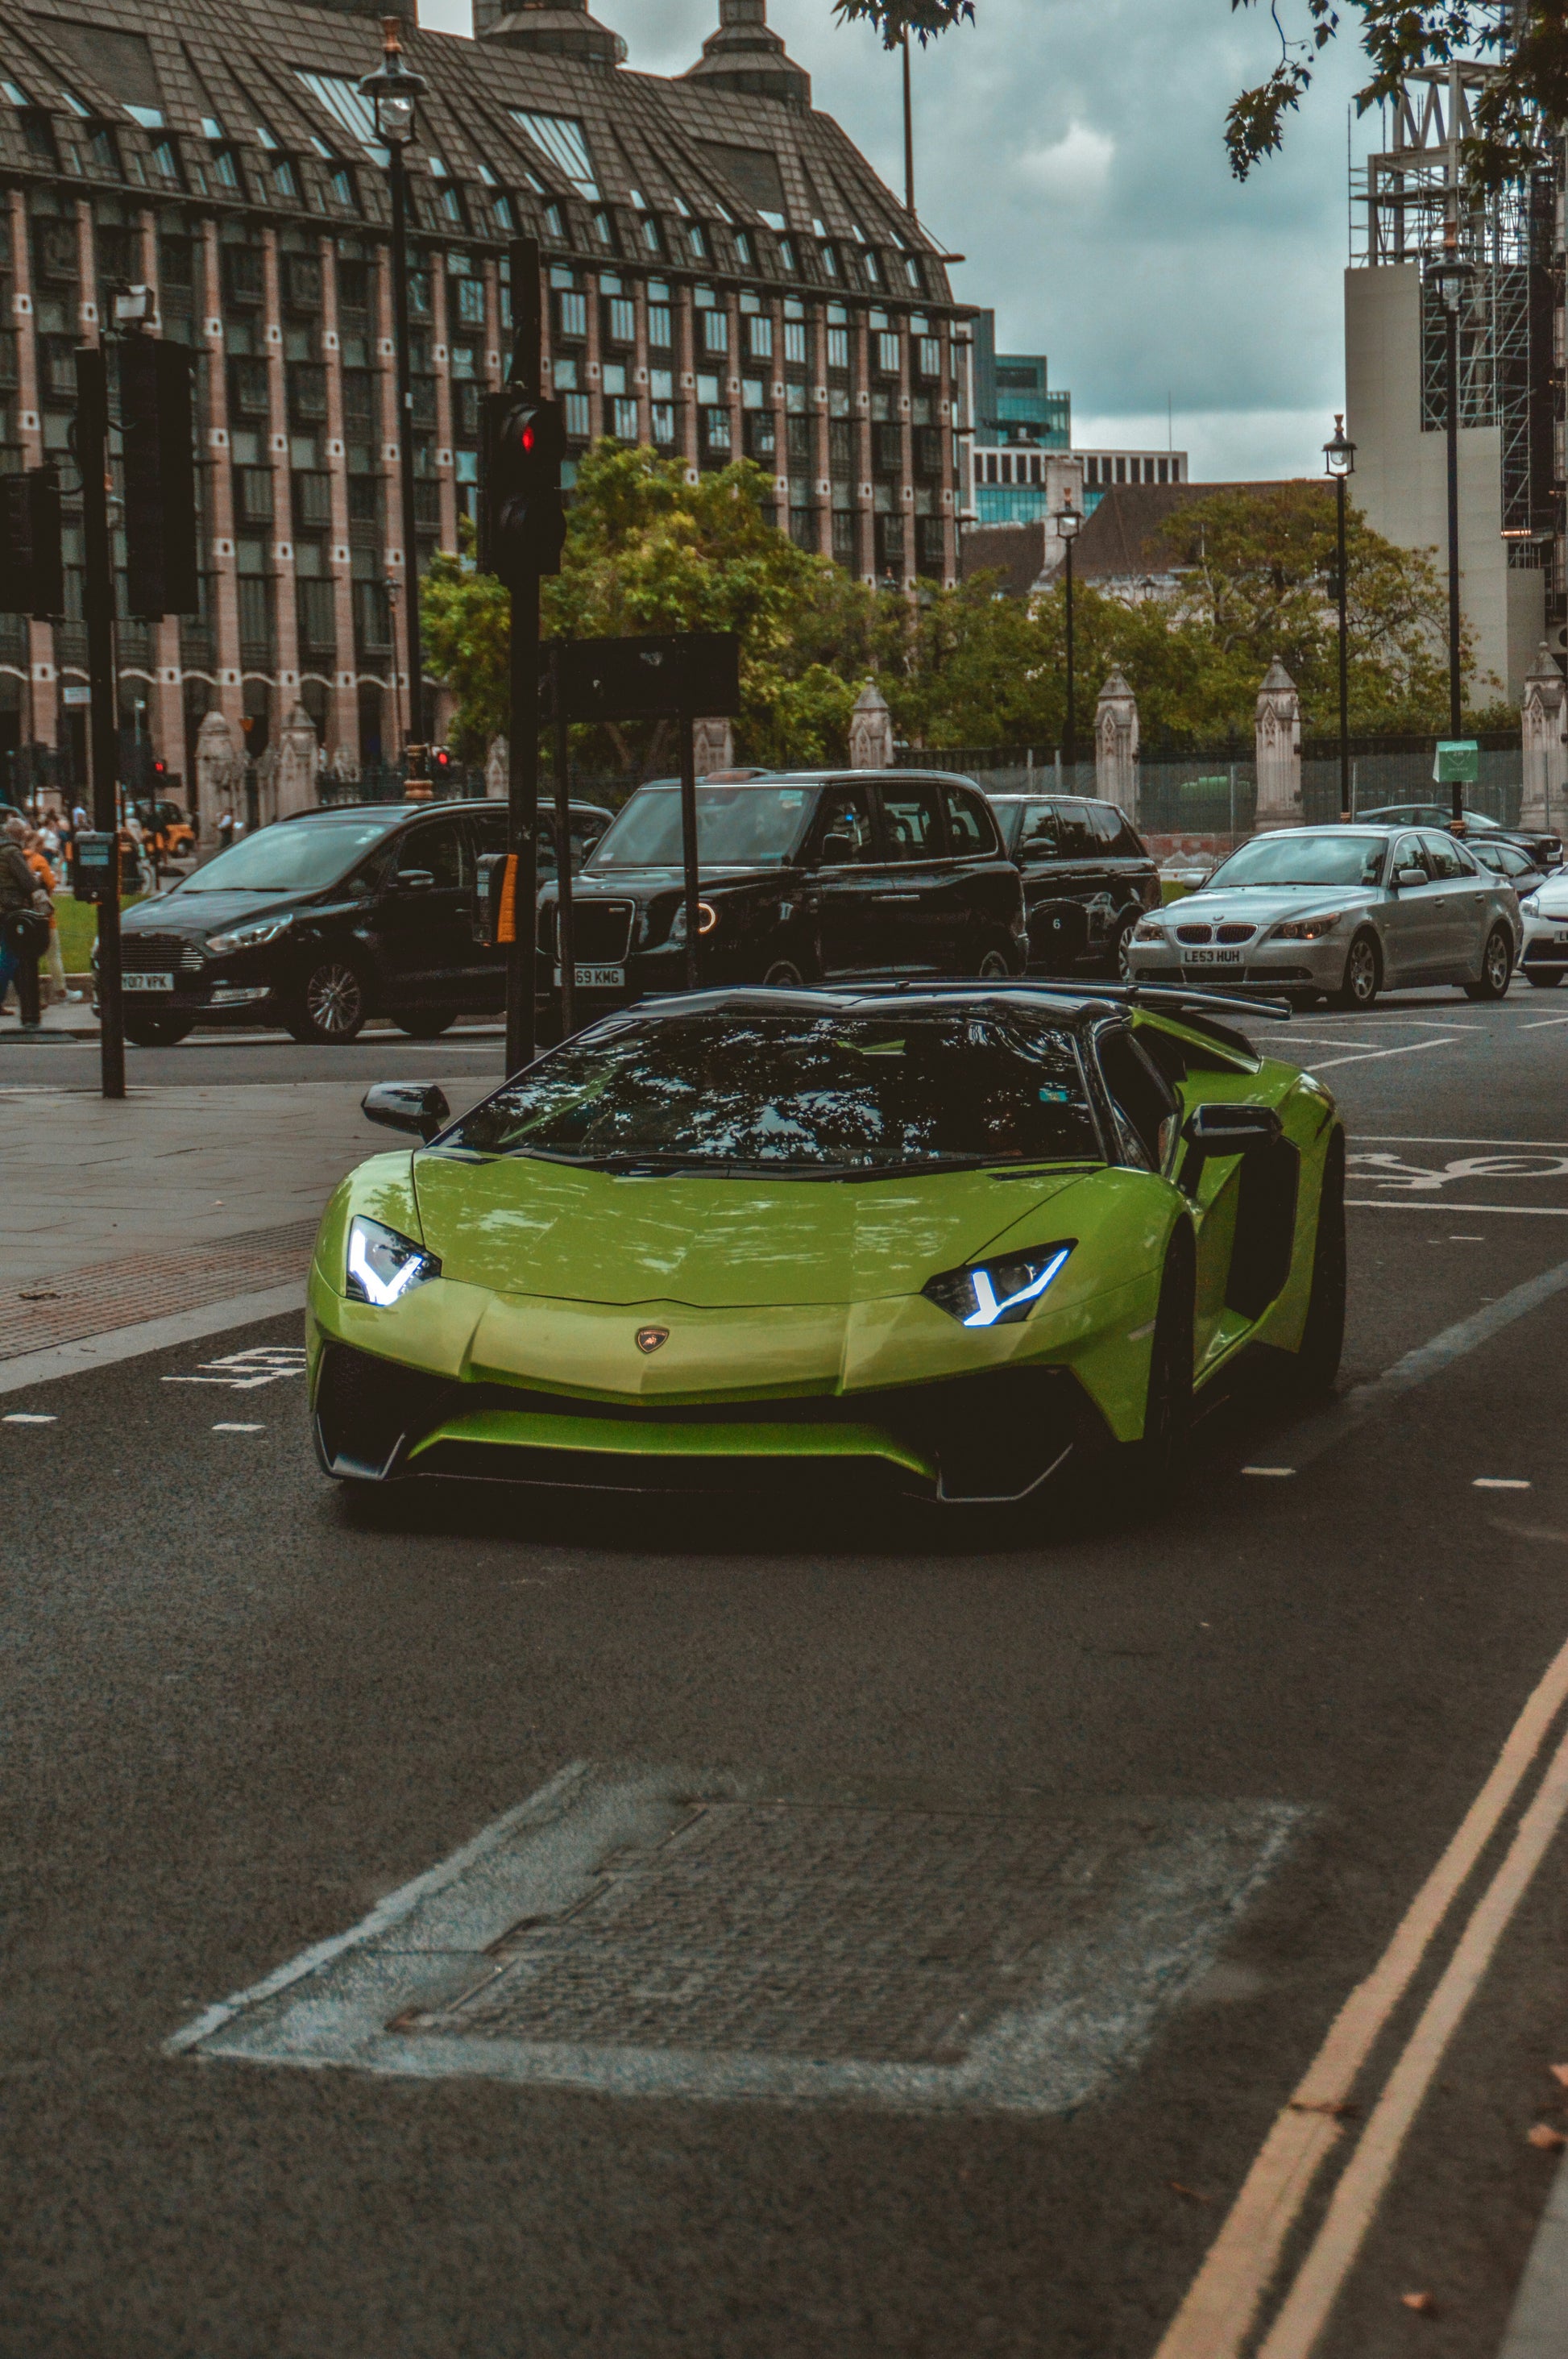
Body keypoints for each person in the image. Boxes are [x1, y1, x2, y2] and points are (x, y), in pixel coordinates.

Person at [0, 816, 47, 1032]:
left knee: (16, 956)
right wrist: (38, 883)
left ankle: (28, 1002)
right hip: (11, 909)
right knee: (12, 955)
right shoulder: (11, 851)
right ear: (18, 834)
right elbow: (26, 881)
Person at [23, 828, 72, 1007]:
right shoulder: (39, 860)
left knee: (28, 958)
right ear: (39, 844)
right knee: (53, 954)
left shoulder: (20, 859)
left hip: (24, 915)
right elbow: (50, 883)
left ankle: (33, 995)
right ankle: (62, 991)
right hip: (43, 916)